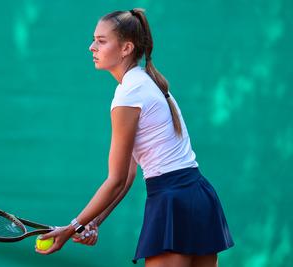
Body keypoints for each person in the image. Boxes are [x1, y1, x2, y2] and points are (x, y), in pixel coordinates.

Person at [36, 8, 234, 267]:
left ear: (126, 48)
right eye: (94, 39)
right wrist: (94, 221)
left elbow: (116, 180)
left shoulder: (129, 95)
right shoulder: (145, 82)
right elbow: (128, 176)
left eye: (101, 41)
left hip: (173, 199)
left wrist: (72, 227)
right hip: (198, 195)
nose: (91, 47)